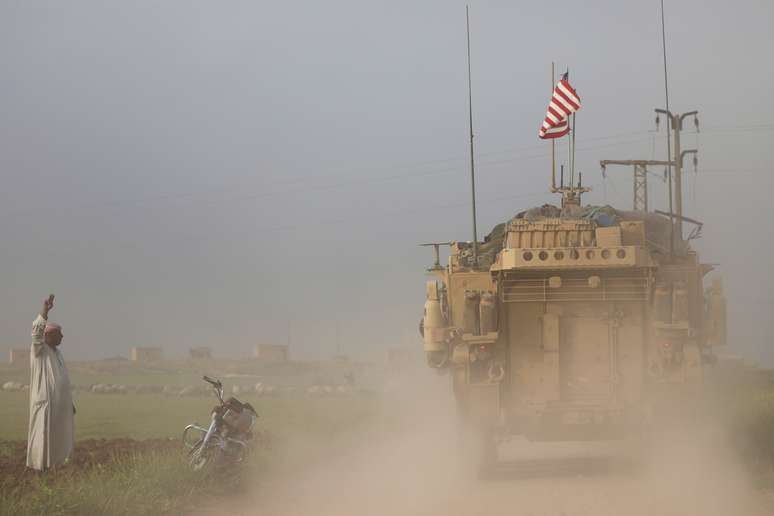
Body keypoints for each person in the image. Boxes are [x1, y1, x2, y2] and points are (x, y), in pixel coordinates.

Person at [27, 294, 75, 471]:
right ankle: (40, 471)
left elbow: (62, 381)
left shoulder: (57, 353)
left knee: (58, 438)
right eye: (59, 333)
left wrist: (69, 403)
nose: (62, 336)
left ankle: (56, 467)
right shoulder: (39, 350)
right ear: (49, 335)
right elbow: (36, 332)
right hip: (45, 405)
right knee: (43, 438)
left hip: (59, 406)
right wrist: (45, 311)